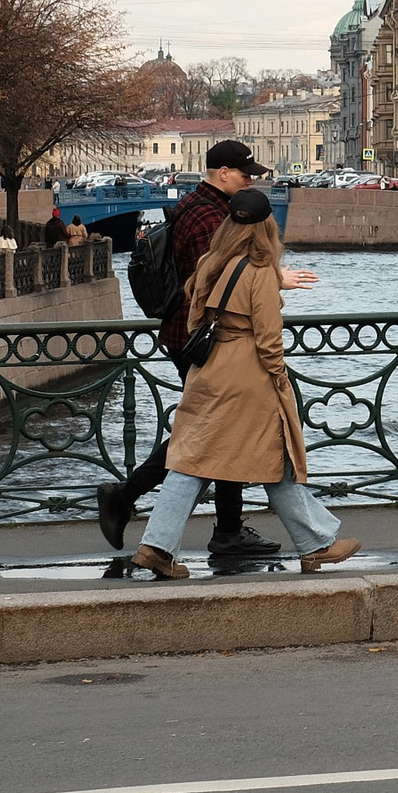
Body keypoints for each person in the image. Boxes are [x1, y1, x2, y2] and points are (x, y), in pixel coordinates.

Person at [96, 140, 315, 556]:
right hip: (204, 338)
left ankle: (227, 529)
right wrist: (269, 278)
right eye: (246, 173)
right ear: (224, 173)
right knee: (203, 435)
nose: (251, 180)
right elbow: (213, 282)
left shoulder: (206, 206)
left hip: (201, 335)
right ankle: (127, 498)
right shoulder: (206, 216)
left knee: (221, 430)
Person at [132, 188, 360, 579]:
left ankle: (157, 545)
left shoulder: (209, 263)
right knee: (277, 456)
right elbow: (270, 341)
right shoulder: (260, 272)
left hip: (208, 372)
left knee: (191, 461)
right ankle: (317, 544)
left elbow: (193, 323)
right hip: (249, 376)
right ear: (266, 228)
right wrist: (279, 381)